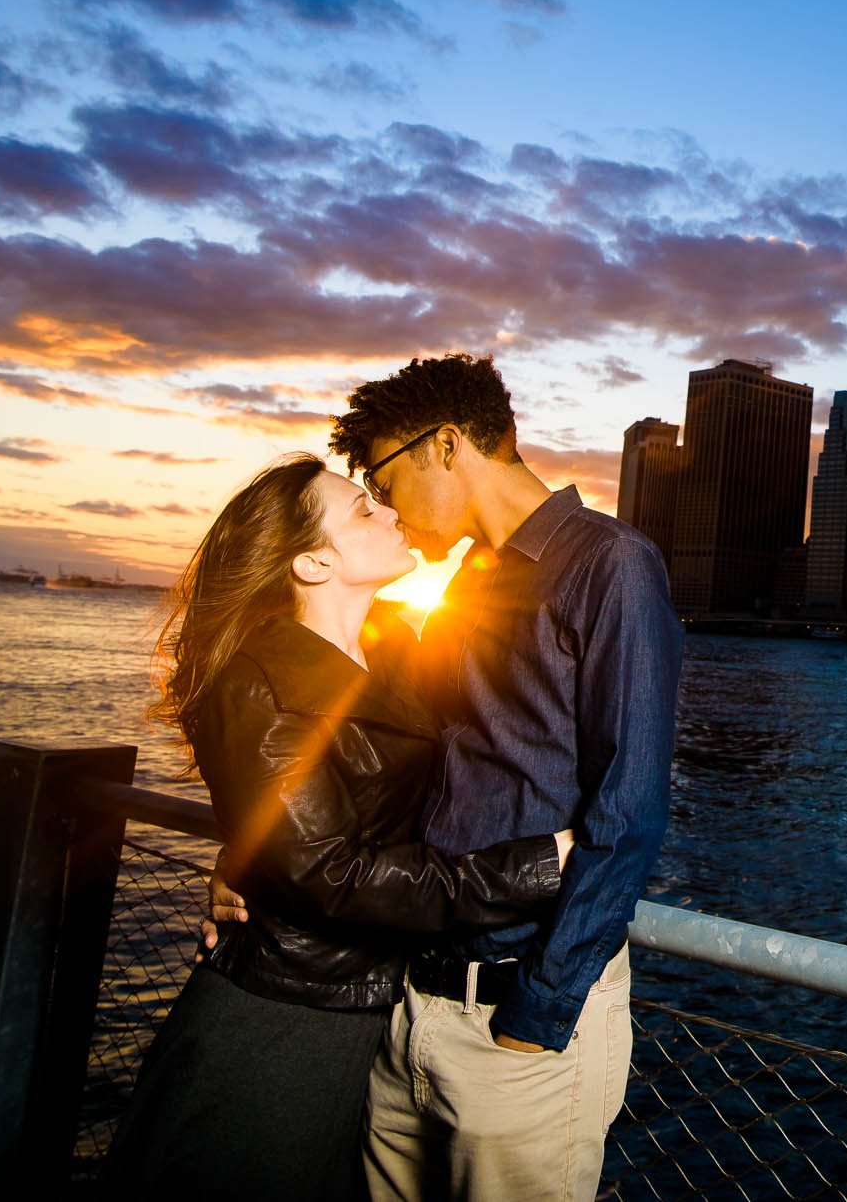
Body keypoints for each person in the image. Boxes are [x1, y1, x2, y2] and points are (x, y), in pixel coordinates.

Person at [220, 353, 683, 1202]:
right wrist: (253, 851)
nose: (385, 505)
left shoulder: (610, 564)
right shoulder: (466, 585)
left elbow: (630, 813)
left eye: (384, 481)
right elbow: (396, 757)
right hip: (407, 1009)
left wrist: (536, 1019)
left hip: (518, 1027)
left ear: (443, 447)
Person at [108, 455, 572, 1202]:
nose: (389, 511)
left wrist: (254, 851)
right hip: (281, 1022)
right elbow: (334, 872)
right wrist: (536, 866)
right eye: (364, 510)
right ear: (313, 560)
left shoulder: (399, 647)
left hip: (375, 1019)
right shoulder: (257, 683)